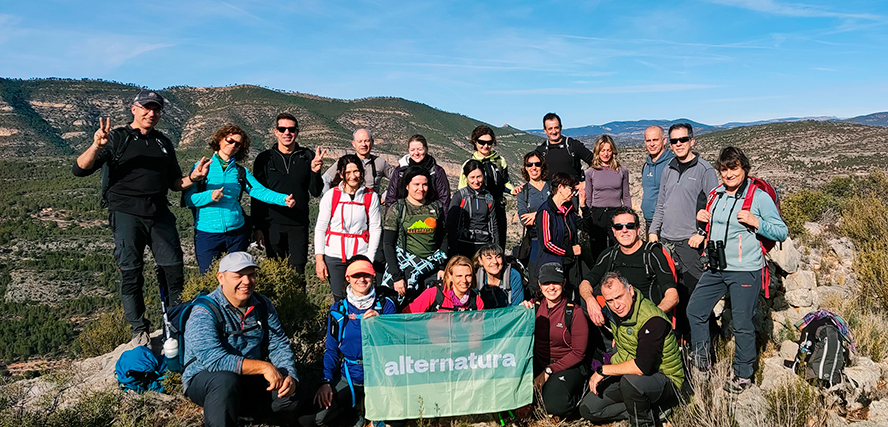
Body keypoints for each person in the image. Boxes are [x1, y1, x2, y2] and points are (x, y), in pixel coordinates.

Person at [72, 89, 210, 346]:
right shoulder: (116, 138)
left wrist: (193, 178)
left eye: (156, 109)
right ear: (133, 109)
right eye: (146, 107)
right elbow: (79, 169)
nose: (151, 112)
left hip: (159, 214)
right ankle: (139, 331)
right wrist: (96, 145)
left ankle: (175, 325)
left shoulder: (163, 143)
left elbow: (174, 184)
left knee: (174, 271)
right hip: (126, 214)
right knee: (131, 272)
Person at [687, 147, 787, 393]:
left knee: (742, 323)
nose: (729, 174)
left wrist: (758, 222)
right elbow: (713, 226)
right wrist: (701, 222)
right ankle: (702, 363)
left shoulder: (758, 197)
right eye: (724, 169)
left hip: (745, 269)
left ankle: (743, 374)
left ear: (744, 168)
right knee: (695, 310)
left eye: (734, 168)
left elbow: (781, 231)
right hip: (715, 265)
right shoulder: (716, 194)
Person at [183, 252, 307, 427]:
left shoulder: (262, 305)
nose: (247, 281)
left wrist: (289, 376)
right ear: (221, 278)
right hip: (206, 379)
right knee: (225, 382)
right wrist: (264, 367)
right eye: (238, 276)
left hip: (246, 378)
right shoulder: (204, 311)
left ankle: (244, 415)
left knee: (296, 391)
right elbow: (213, 360)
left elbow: (278, 344)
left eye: (251, 275)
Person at [185, 124, 296, 274]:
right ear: (219, 140)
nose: (233, 145)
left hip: (237, 232)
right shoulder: (201, 167)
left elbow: (259, 191)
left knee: (237, 275)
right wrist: (209, 196)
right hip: (207, 233)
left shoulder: (240, 172)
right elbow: (189, 199)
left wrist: (283, 199)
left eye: (238, 144)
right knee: (208, 277)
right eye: (230, 140)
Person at [579, 272, 684, 427]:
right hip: (631, 376)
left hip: (665, 379)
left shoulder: (652, 319)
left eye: (619, 297)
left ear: (631, 291)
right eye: (610, 300)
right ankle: (652, 410)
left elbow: (643, 366)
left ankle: (644, 422)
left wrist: (603, 370)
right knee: (588, 408)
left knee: (631, 382)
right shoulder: (616, 313)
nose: (616, 305)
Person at [302, 256, 396, 427]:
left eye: (366, 275)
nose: (361, 279)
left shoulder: (385, 306)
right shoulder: (338, 309)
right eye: (356, 275)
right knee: (317, 418)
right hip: (349, 376)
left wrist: (381, 322)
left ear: (373, 276)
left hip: (380, 377)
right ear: (348, 278)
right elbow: (331, 349)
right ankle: (352, 417)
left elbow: (396, 341)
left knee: (395, 420)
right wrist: (326, 382)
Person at [648, 123, 718, 336]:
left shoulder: (705, 170)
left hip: (689, 244)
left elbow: (715, 207)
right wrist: (653, 232)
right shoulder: (669, 168)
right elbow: (661, 203)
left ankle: (708, 342)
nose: (679, 144)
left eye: (683, 140)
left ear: (692, 141)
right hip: (666, 241)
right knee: (671, 293)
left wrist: (702, 234)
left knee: (694, 297)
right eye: (674, 141)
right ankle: (681, 341)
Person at [579, 207, 679, 327]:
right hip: (618, 315)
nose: (624, 230)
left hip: (647, 315)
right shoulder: (610, 254)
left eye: (630, 226)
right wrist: (590, 301)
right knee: (582, 304)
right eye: (619, 227)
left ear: (638, 230)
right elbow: (585, 283)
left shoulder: (653, 254)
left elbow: (673, 295)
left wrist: (652, 316)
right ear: (614, 231)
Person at [252, 113, 325, 275]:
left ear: (297, 132)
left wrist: (315, 172)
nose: (287, 132)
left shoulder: (307, 156)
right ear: (276, 132)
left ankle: (298, 301)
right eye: (282, 129)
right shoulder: (264, 159)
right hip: (272, 225)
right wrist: (257, 227)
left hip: (298, 225)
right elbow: (256, 195)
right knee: (275, 273)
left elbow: (315, 191)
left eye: (291, 129)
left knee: (298, 272)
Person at [314, 155, 382, 301]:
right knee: (340, 298)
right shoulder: (331, 196)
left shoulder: (371, 197)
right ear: (340, 174)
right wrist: (319, 259)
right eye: (348, 172)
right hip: (334, 256)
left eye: (356, 171)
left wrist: (369, 258)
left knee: (362, 297)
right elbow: (320, 228)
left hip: (361, 255)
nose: (353, 176)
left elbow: (375, 228)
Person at [380, 166, 448, 307]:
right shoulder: (397, 209)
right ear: (407, 186)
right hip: (405, 268)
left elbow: (443, 238)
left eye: (424, 184)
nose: (421, 188)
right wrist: (397, 277)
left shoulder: (436, 207)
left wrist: (442, 267)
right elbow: (388, 244)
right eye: (416, 184)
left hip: (432, 268)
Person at [529, 262, 589, 417]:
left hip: (566, 366)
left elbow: (578, 353)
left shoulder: (574, 312)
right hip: (537, 362)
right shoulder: (532, 307)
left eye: (555, 282)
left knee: (556, 405)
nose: (551, 287)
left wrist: (549, 371)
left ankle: (580, 396)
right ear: (539, 285)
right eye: (546, 283)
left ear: (563, 283)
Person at [458, 125, 516, 247]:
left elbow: (505, 182)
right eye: (481, 142)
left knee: (499, 245)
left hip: (498, 208)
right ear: (475, 142)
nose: (485, 146)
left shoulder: (500, 161)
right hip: (478, 212)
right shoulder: (468, 164)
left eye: (489, 142)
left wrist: (513, 190)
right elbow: (462, 190)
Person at [535, 172, 583, 300]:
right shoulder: (545, 212)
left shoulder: (569, 209)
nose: (573, 192)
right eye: (571, 188)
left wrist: (583, 206)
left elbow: (584, 226)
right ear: (560, 188)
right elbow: (547, 243)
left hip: (570, 264)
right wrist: (570, 251)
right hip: (552, 264)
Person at [583, 135, 631, 261]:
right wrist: (586, 220)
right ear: (597, 152)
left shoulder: (622, 171)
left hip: (616, 213)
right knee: (598, 250)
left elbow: (626, 195)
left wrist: (629, 215)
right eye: (602, 150)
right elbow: (588, 198)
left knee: (619, 246)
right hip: (597, 214)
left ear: (613, 151)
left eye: (608, 150)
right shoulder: (590, 172)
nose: (606, 154)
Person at [384, 134, 450, 211]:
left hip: (430, 214)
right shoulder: (400, 171)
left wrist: (444, 219)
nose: (416, 153)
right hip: (404, 214)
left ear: (426, 149)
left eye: (420, 149)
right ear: (408, 150)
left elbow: (444, 199)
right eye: (412, 150)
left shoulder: (436, 171)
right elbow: (391, 197)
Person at [448, 159, 498, 258]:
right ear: (466, 178)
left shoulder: (489, 198)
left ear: (483, 176)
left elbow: (494, 226)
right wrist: (453, 249)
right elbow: (451, 224)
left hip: (484, 246)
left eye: (479, 177)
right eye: (472, 177)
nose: (476, 181)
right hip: (462, 244)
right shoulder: (460, 196)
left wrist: (496, 249)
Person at [322, 128, 395, 195]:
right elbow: (325, 179)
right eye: (359, 141)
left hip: (371, 206)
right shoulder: (345, 161)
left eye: (366, 141)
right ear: (353, 144)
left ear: (372, 142)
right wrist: (330, 199)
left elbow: (399, 180)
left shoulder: (380, 162)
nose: (363, 144)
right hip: (348, 205)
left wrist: (385, 197)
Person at [404, 255, 484, 313]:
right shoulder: (433, 294)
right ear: (450, 276)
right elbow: (406, 316)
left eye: (468, 276)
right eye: (459, 276)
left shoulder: (476, 301)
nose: (464, 280)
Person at [534, 113, 595, 183]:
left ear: (561, 127)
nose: (554, 132)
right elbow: (531, 170)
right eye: (550, 129)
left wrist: (586, 183)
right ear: (545, 130)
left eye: (556, 128)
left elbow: (595, 162)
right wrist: (524, 187)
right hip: (550, 193)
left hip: (573, 192)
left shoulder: (573, 145)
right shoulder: (541, 151)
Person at [516, 152, 551, 273]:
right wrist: (550, 213)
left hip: (554, 238)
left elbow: (561, 211)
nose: (534, 167)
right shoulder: (523, 192)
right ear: (525, 168)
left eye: (537, 164)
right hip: (535, 240)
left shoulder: (552, 187)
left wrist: (536, 215)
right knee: (535, 277)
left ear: (542, 166)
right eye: (530, 164)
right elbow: (524, 220)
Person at [640, 126, 675, 231]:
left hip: (667, 222)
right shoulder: (646, 165)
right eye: (648, 140)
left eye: (655, 140)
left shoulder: (672, 164)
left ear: (664, 141)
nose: (651, 144)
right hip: (649, 220)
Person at [473, 243, 525, 308]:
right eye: (489, 258)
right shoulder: (476, 277)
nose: (495, 261)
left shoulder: (513, 276)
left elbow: (516, 306)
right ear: (480, 261)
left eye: (498, 257)